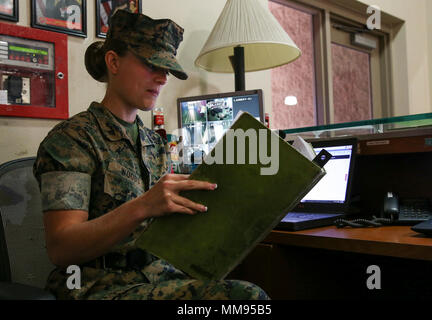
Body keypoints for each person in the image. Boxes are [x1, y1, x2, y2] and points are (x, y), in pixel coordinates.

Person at [33, 9, 269, 300]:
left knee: (250, 284)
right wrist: (144, 205)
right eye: (150, 64)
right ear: (113, 61)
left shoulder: (155, 145)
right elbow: (62, 248)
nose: (162, 78)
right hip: (96, 286)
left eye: (166, 70)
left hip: (160, 276)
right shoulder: (73, 139)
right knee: (246, 299)